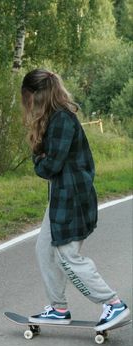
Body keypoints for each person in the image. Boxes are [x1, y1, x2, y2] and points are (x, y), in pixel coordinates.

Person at [21, 68, 130, 331]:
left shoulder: (61, 120)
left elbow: (50, 166)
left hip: (71, 198)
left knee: (66, 256)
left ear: (37, 95)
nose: (27, 104)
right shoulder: (56, 119)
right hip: (62, 197)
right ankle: (58, 309)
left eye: (28, 97)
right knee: (44, 249)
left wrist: (38, 158)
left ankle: (113, 304)